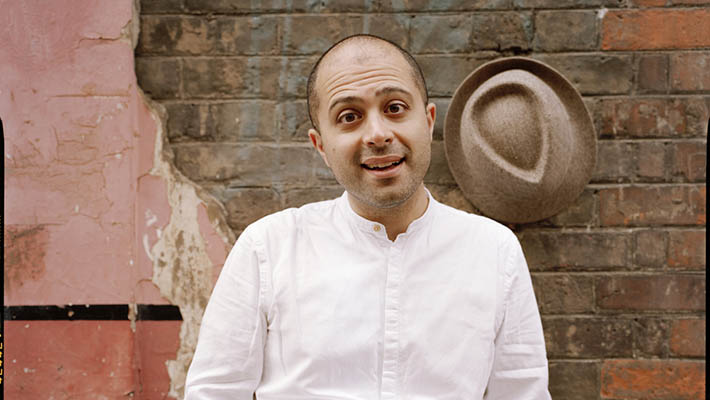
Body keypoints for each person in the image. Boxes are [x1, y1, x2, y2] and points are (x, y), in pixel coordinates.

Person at [185, 34, 551, 399]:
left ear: (428, 121)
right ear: (321, 145)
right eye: (349, 117)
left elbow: (523, 394)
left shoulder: (493, 250)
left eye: (395, 108)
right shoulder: (267, 247)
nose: (377, 135)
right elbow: (214, 392)